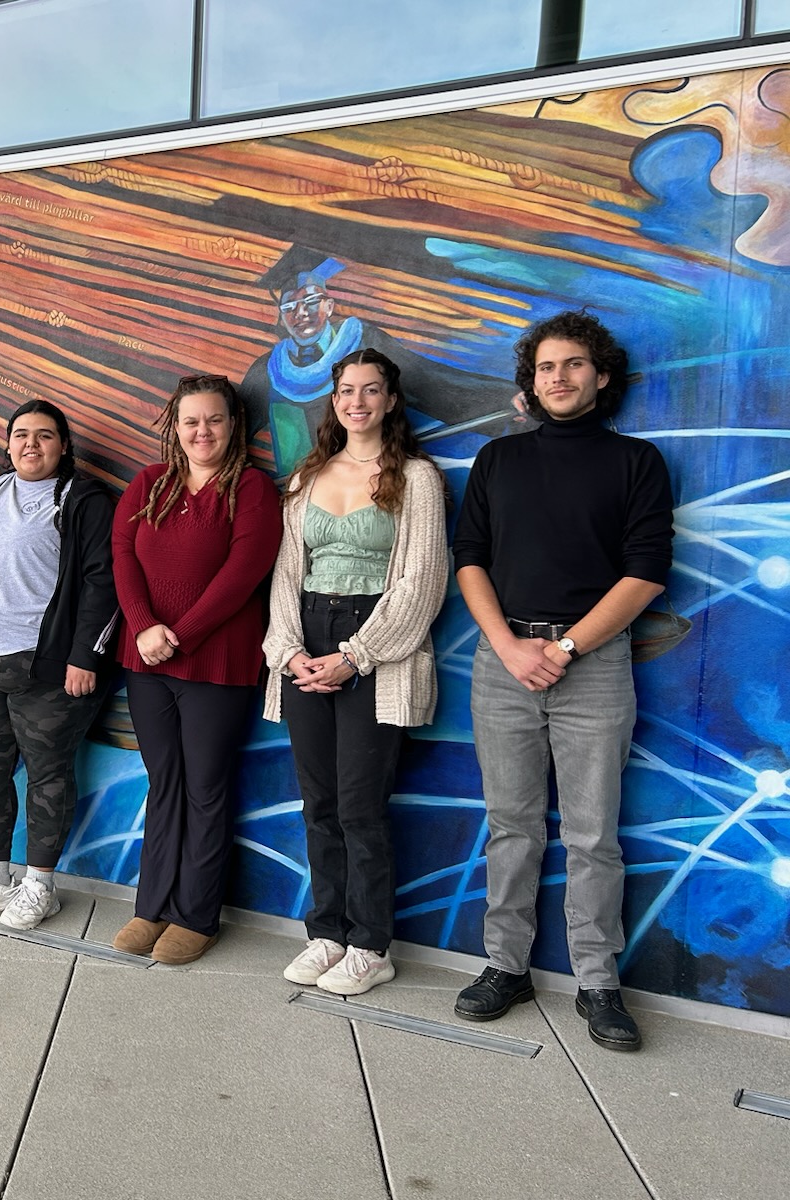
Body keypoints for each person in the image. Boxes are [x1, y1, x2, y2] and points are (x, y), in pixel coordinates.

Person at [451, 311, 673, 1052]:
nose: (560, 378)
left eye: (574, 365)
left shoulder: (636, 461)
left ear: (601, 376)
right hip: (503, 661)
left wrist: (569, 647)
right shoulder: (498, 462)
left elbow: (646, 574)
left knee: (591, 836)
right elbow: (470, 561)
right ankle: (504, 967)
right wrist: (511, 647)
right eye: (547, 367)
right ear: (531, 380)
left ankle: (597, 983)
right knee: (510, 829)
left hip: (596, 666)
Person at [261, 349, 448, 995]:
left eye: (371, 391)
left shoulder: (417, 478)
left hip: (375, 651)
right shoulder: (307, 477)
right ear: (333, 400)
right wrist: (288, 652)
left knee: (361, 806)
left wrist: (355, 657)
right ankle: (327, 932)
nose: (358, 401)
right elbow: (287, 572)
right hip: (306, 644)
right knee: (320, 803)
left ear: (391, 401)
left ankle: (371, 944)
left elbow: (422, 585)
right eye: (346, 391)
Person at [110, 374, 282, 965]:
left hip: (217, 662)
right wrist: (143, 626)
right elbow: (124, 556)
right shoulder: (148, 484)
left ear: (233, 426)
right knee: (165, 785)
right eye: (191, 421)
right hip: (147, 660)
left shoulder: (252, 488)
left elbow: (243, 574)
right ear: (174, 427)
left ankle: (196, 915)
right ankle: (150, 905)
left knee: (206, 789)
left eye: (214, 419)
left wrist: (180, 634)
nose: (201, 431)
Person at [0, 400, 119, 930]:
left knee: (47, 777)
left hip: (44, 670)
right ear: (8, 441)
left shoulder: (84, 500)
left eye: (44, 435)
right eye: (20, 434)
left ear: (64, 445)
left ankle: (39, 885)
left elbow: (102, 584)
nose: (30, 445)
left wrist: (86, 656)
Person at [235, 245, 521, 476]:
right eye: (290, 306)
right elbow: (235, 429)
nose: (302, 314)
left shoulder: (364, 343)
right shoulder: (269, 371)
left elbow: (430, 382)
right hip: (297, 495)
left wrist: (506, 398)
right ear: (282, 317)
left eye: (311, 302)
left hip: (369, 487)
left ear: (329, 306)